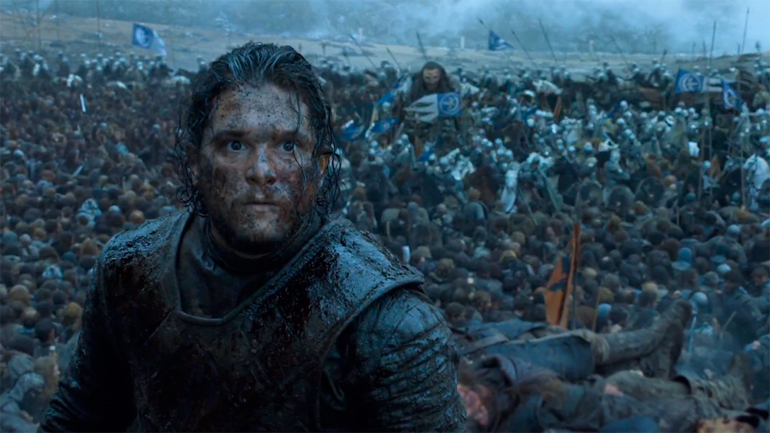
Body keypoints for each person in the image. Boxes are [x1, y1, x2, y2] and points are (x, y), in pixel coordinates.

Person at [41, 43, 465, 432]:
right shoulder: (130, 269)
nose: (262, 171)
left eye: (287, 146)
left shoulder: (390, 322)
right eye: (235, 145)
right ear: (195, 162)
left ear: (319, 166)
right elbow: (80, 417)